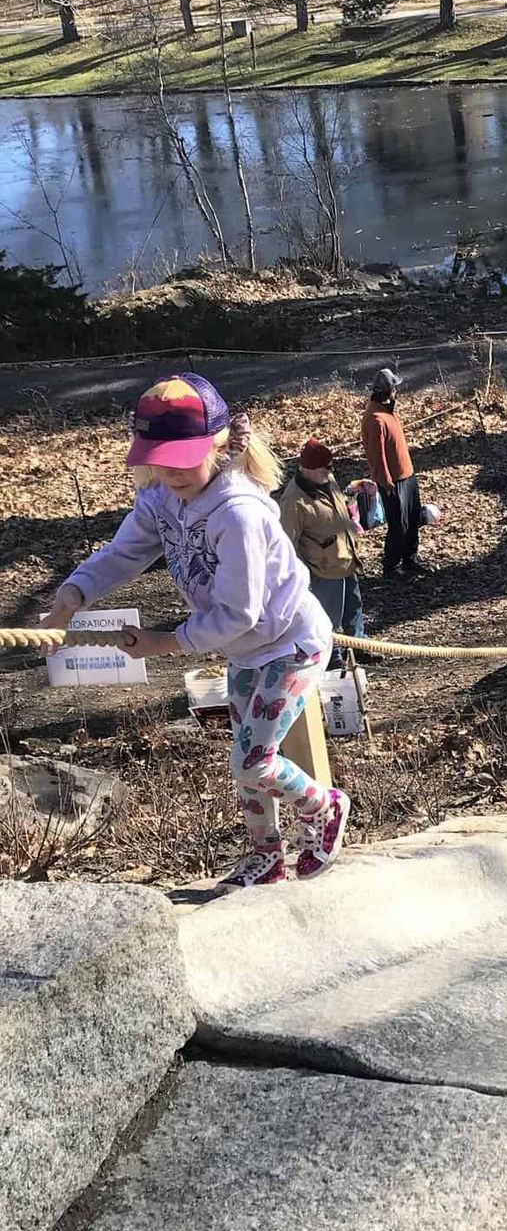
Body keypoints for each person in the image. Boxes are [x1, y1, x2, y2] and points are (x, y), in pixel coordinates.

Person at [39, 373, 350, 891]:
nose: (170, 471)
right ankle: (266, 855)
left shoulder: (239, 515)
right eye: (158, 459)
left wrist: (168, 642)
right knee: (244, 762)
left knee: (254, 760)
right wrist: (70, 597)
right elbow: (122, 554)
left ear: (218, 444)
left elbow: (240, 613)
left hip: (289, 644)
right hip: (244, 652)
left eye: (182, 459)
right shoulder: (162, 500)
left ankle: (325, 806)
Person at [279, 438, 368, 669]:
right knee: (329, 618)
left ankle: (361, 647)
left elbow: (338, 508)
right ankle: (334, 658)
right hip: (323, 571)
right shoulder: (293, 502)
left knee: (354, 608)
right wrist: (302, 577)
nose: (332, 471)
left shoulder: (328, 480)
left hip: (346, 559)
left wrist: (352, 494)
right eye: (326, 467)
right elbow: (287, 545)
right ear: (308, 469)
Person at [361, 368, 430, 579]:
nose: (396, 392)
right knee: (398, 525)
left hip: (407, 476)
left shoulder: (388, 411)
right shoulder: (375, 418)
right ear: (389, 391)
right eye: (394, 388)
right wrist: (386, 482)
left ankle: (410, 559)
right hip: (393, 481)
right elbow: (376, 456)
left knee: (412, 518)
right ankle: (391, 565)